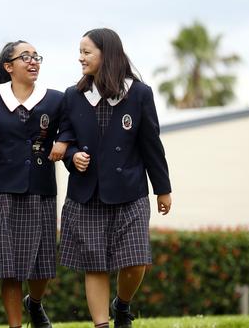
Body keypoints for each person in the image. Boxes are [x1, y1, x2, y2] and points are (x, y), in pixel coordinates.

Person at [57, 28, 172, 328]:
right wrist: (72, 157)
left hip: (130, 192)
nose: (80, 57)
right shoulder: (74, 95)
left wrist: (163, 189)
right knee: (94, 266)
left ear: (106, 54)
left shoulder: (140, 93)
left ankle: (122, 305)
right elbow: (65, 137)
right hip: (87, 194)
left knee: (136, 261)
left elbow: (151, 143)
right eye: (80, 51)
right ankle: (101, 325)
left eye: (86, 52)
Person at [0, 41, 66, 328]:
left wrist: (63, 140)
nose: (33, 61)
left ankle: (34, 303)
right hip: (0, 190)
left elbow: (71, 128)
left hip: (41, 187)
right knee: (8, 268)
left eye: (36, 56)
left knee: (42, 266)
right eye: (25, 57)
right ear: (8, 66)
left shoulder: (56, 99)